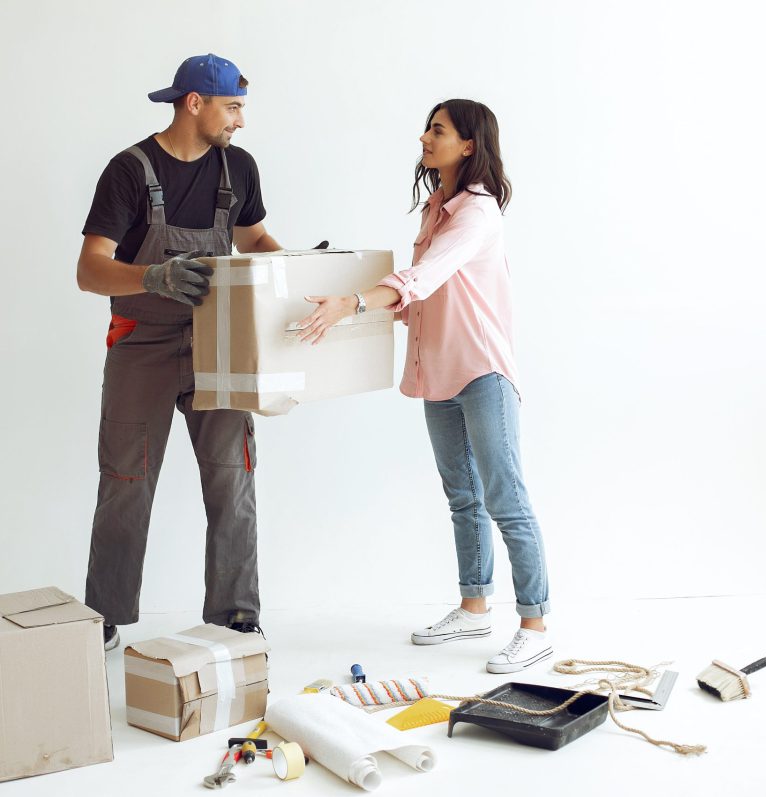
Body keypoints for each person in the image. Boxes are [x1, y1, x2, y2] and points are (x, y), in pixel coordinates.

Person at [297, 99, 551, 673]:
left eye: (438, 130)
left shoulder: (478, 213)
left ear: (468, 144)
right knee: (462, 496)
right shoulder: (438, 207)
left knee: (504, 496)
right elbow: (422, 299)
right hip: (438, 371)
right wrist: (347, 308)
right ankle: (474, 605)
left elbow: (423, 278)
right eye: (427, 128)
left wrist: (354, 302)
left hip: (482, 369)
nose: (425, 137)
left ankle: (535, 623)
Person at [78, 54, 283, 651]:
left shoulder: (237, 168)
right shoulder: (129, 170)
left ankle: (235, 616)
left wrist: (292, 270)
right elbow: (90, 270)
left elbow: (254, 240)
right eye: (234, 107)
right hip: (142, 344)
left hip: (221, 342)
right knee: (126, 479)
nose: (241, 121)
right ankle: (106, 617)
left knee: (232, 477)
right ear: (195, 102)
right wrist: (151, 278)